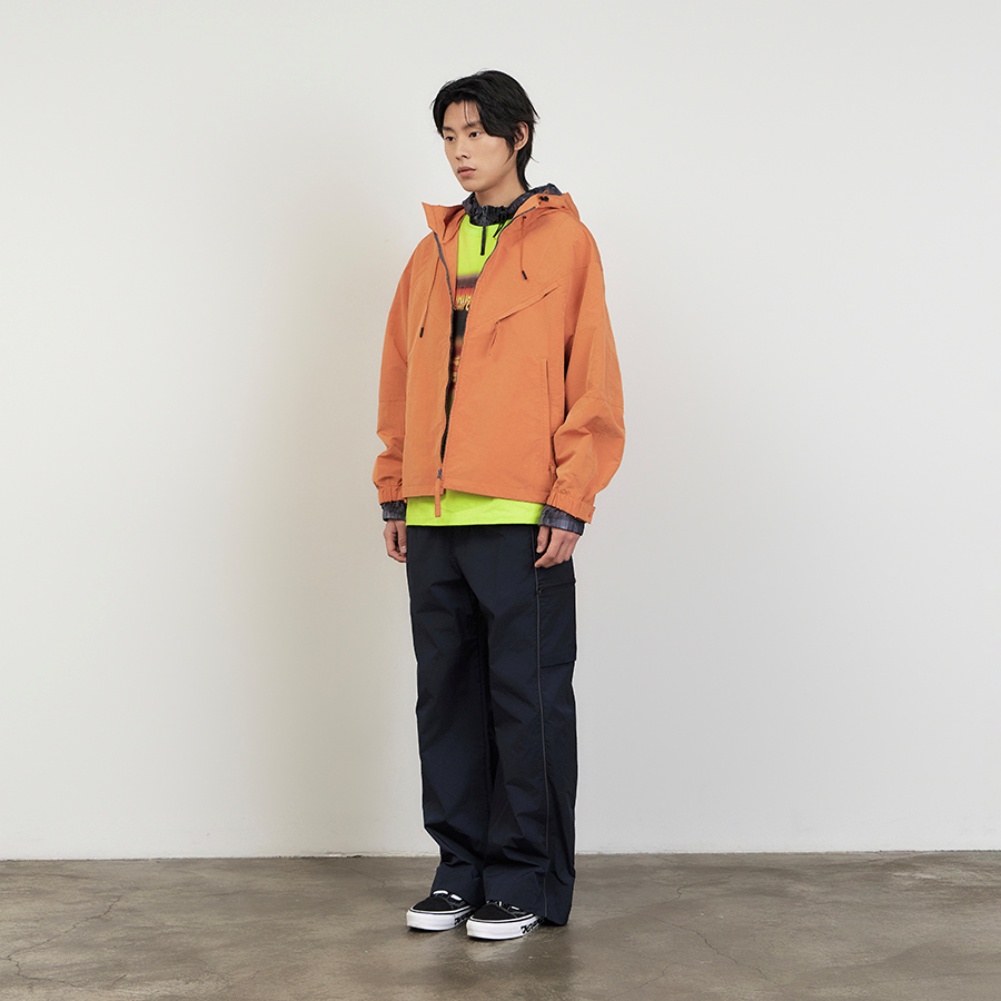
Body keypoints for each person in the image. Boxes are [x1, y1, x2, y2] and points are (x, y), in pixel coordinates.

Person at [373, 69, 624, 941]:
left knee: (526, 701)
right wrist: (395, 489)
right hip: (433, 515)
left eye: (476, 132)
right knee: (444, 699)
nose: (459, 150)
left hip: (521, 514)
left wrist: (570, 498)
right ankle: (460, 869)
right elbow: (401, 377)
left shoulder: (565, 243)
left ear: (518, 136)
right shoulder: (429, 253)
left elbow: (591, 375)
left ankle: (523, 878)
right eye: (448, 135)